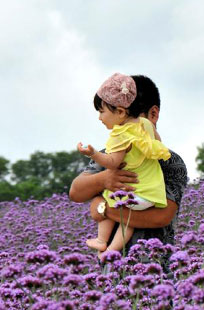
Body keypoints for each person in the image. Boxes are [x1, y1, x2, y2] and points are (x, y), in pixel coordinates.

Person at [69, 75, 188, 263]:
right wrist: (104, 179)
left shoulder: (170, 162)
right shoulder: (110, 152)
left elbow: (161, 217)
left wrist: (102, 208)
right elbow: (76, 191)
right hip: (112, 275)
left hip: (155, 269)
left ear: (153, 114)